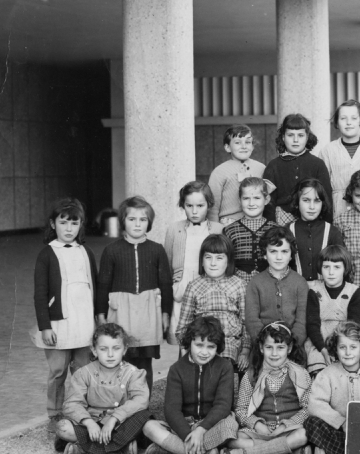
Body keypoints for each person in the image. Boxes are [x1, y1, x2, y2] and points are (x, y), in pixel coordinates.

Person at [32, 198, 97, 430]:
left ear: (81, 225)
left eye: (74, 223)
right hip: (58, 325)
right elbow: (40, 294)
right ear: (53, 224)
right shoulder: (47, 254)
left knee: (83, 369)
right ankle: (55, 413)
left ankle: (82, 410)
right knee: (58, 371)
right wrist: (45, 326)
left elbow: (95, 287)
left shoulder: (85, 252)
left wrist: (98, 318)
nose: (69, 229)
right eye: (63, 222)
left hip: (84, 323)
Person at [96, 196, 173, 392]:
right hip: (121, 312)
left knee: (144, 364)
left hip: (148, 313)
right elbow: (103, 284)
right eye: (132, 219)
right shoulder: (111, 250)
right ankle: (121, 403)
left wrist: (165, 314)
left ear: (149, 223)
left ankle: (142, 405)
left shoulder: (157, 250)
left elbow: (165, 284)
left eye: (143, 220)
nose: (137, 224)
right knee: (121, 360)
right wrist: (101, 314)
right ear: (123, 221)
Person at [144, 316, 238, 454]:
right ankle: (204, 450)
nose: (204, 352)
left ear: (217, 347)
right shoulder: (177, 369)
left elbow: (223, 405)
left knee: (230, 425)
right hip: (184, 426)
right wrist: (189, 435)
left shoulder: (224, 367)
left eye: (211, 347)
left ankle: (173, 448)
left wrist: (200, 430)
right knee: (149, 427)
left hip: (212, 424)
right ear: (190, 342)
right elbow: (172, 410)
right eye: (199, 345)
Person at [56, 323, 151, 454]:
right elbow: (72, 403)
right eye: (103, 349)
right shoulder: (84, 373)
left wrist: (114, 419)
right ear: (94, 350)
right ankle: (122, 448)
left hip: (121, 423)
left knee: (145, 422)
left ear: (124, 349)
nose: (110, 354)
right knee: (63, 427)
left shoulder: (133, 373)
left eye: (116, 348)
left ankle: (82, 448)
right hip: (92, 423)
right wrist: (88, 422)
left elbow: (141, 400)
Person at [304, 321, 360, 454]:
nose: (348, 352)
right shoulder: (327, 374)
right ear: (335, 349)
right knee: (312, 423)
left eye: (353, 347)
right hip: (337, 432)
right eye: (342, 347)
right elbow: (315, 404)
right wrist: (341, 422)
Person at [228, 323, 311, 454]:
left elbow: (307, 408)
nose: (274, 353)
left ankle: (251, 451)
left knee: (303, 434)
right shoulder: (252, 375)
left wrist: (285, 425)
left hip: (289, 430)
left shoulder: (300, 374)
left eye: (280, 348)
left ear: (289, 349)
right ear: (261, 348)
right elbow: (241, 409)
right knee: (233, 438)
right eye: (269, 347)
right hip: (261, 432)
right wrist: (257, 424)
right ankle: (284, 449)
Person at [175, 234, 250, 374]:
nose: (213, 263)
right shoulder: (194, 286)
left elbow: (246, 322)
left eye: (219, 258)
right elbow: (183, 327)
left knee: (223, 361)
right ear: (202, 261)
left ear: (228, 261)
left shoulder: (239, 285)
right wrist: (188, 350)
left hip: (230, 344)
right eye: (208, 257)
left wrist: (245, 351)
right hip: (203, 342)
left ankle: (223, 393)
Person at [163, 181, 224, 345]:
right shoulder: (174, 229)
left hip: (209, 293)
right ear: (183, 205)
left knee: (207, 338)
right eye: (189, 205)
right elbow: (167, 264)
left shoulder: (218, 229)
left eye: (200, 205)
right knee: (184, 340)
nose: (195, 211)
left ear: (209, 205)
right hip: (181, 293)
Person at [318, 100, 360, 214]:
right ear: (337, 122)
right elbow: (321, 187)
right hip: (337, 211)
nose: (348, 122)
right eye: (343, 118)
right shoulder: (327, 151)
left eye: (354, 118)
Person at [245, 226, 309, 347]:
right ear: (264, 254)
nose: (279, 257)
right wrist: (265, 344)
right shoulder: (255, 282)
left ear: (291, 255)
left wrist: (292, 345)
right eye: (273, 251)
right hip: (263, 347)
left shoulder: (300, 283)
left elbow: (302, 321)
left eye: (284, 251)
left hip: (292, 347)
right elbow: (251, 320)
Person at [304, 245, 360, 375]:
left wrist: (341, 348)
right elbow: (312, 325)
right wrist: (323, 349)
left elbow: (354, 325)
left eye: (337, 267)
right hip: (318, 344)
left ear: (345, 269)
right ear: (320, 268)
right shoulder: (314, 290)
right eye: (326, 267)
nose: (331, 272)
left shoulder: (353, 291)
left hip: (345, 342)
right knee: (319, 374)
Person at [263, 113, 333, 221]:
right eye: (290, 135)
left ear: (307, 137)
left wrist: (325, 227)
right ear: (283, 137)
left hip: (312, 222)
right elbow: (268, 202)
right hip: (281, 223)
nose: (295, 140)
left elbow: (326, 199)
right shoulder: (273, 165)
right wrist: (273, 229)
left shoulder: (318, 164)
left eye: (300, 135)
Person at [285, 178, 345, 282]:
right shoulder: (287, 230)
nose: (312, 207)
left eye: (317, 201)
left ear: (323, 203)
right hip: (295, 292)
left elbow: (341, 265)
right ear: (297, 201)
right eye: (306, 200)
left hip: (325, 292)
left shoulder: (332, 231)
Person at [207, 124, 266, 225]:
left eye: (248, 142)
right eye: (238, 143)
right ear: (227, 147)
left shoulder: (261, 168)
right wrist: (215, 229)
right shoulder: (219, 172)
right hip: (228, 223)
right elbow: (213, 206)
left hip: (257, 221)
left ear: (252, 146)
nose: (244, 146)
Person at [223, 177, 278, 284]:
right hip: (238, 286)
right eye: (246, 198)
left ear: (266, 200)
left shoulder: (275, 229)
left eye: (257, 198)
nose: (251, 203)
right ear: (239, 200)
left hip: (268, 285)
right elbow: (226, 262)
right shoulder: (229, 231)